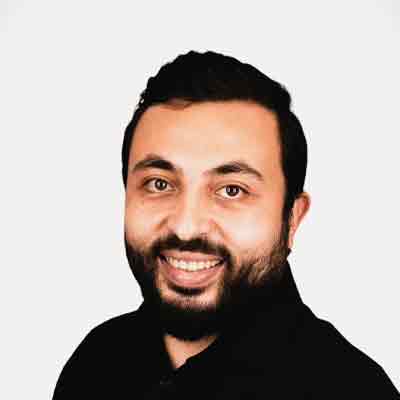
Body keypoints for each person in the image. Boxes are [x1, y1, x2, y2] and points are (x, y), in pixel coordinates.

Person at [53, 50, 399, 399]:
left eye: (232, 190)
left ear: (292, 218)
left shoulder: (354, 389)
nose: (186, 227)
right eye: (159, 184)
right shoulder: (94, 364)